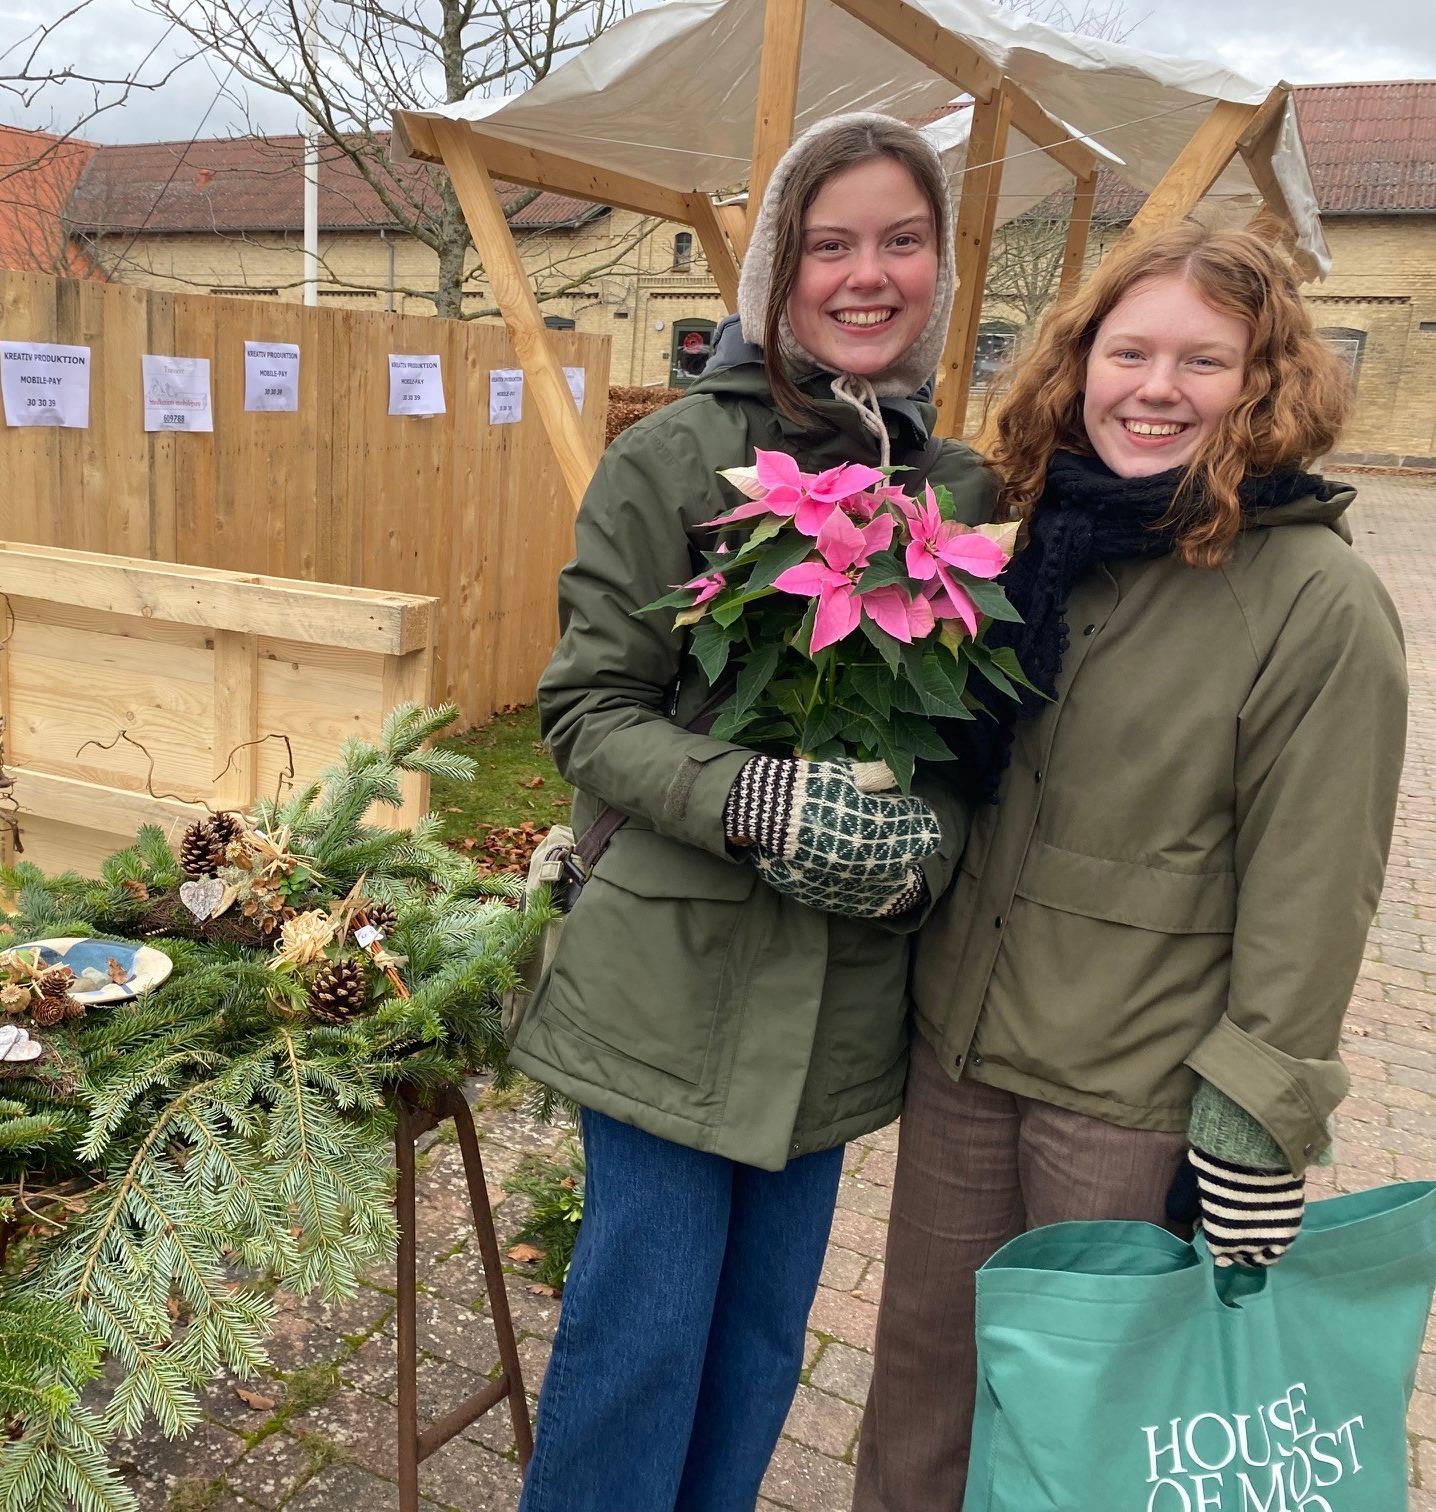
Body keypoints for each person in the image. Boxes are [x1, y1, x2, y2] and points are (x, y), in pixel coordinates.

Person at [853, 222, 1408, 1512]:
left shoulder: (1315, 599)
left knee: (1090, 1420)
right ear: (1079, 363)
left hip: (1129, 1086)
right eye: (1130, 350)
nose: (1156, 389)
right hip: (964, 1046)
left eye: (1204, 361)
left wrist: (1258, 1112)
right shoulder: (1036, 534)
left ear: (1264, 384)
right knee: (926, 1371)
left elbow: (1316, 879)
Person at [511, 113, 999, 1512]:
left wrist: (920, 863)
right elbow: (587, 711)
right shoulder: (672, 462)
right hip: (666, 989)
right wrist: (757, 798)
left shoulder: (954, 491)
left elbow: (970, 762)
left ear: (939, 270)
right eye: (828, 243)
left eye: (901, 242)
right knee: (638, 1347)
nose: (866, 274)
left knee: (763, 1345)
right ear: (776, 270)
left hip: (839, 1010)